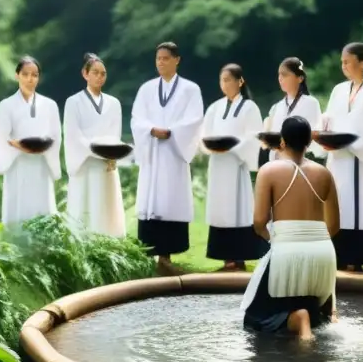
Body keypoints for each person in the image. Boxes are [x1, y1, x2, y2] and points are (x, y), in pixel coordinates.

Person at [241, 116, 340, 341]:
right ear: (308, 142)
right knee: (319, 319)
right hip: (324, 254)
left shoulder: (269, 171)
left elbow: (259, 222)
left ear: (282, 142)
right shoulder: (325, 174)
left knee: (255, 318)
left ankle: (299, 319)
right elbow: (333, 226)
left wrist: (276, 239)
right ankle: (325, 312)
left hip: (286, 253)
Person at [130, 41, 204, 275]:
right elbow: (136, 118)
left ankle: (167, 255)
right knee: (152, 201)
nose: (160, 62)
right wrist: (151, 129)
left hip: (174, 151)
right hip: (153, 151)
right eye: (158, 59)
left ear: (176, 60)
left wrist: (171, 131)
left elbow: (194, 119)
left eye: (165, 58)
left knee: (171, 199)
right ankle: (152, 255)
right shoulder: (147, 89)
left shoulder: (190, 89)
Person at [322, 42, 363, 271]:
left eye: (348, 62)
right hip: (339, 157)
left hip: (362, 157)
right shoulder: (338, 90)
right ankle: (339, 255)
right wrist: (327, 135)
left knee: (360, 204)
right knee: (339, 203)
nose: (344, 66)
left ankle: (359, 257)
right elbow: (329, 119)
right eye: (342, 62)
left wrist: (357, 145)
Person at [201, 63, 267, 271]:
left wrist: (233, 147)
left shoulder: (249, 107)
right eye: (222, 80)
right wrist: (212, 146)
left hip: (236, 164)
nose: (225, 84)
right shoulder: (215, 107)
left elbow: (254, 137)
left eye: (228, 79)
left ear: (240, 82)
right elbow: (204, 135)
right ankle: (224, 258)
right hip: (219, 164)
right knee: (221, 209)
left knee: (238, 209)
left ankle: (239, 258)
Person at [63, 53, 126, 237]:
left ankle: (109, 245)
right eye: (95, 72)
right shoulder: (73, 102)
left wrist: (112, 153)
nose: (99, 76)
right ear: (85, 73)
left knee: (107, 208)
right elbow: (73, 135)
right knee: (85, 207)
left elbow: (115, 134)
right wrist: (98, 150)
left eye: (103, 73)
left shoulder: (114, 103)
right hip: (85, 163)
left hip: (106, 164)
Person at [0, 56, 62, 227]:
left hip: (41, 163)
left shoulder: (50, 105)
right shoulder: (6, 105)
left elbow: (56, 136)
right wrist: (17, 146)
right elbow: (1, 137)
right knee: (18, 210)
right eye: (25, 74)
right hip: (17, 164)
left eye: (35, 75)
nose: (30, 79)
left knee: (42, 212)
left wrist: (43, 147)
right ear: (17, 75)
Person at [262, 57, 324, 165]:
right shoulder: (276, 107)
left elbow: (314, 136)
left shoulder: (311, 103)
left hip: (302, 162)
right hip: (278, 163)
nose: (280, 78)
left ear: (300, 78)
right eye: (279, 75)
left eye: (285, 75)